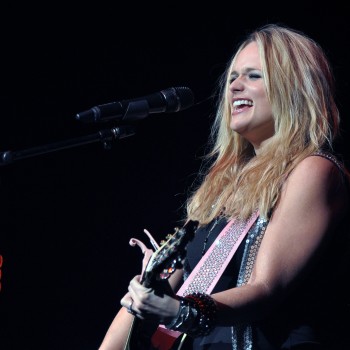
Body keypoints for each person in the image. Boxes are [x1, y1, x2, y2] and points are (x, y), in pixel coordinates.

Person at [98, 23, 350, 350]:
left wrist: (185, 313)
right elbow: (168, 285)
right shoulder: (224, 187)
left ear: (295, 88)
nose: (235, 86)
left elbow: (266, 287)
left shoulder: (314, 169)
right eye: (232, 78)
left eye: (253, 76)